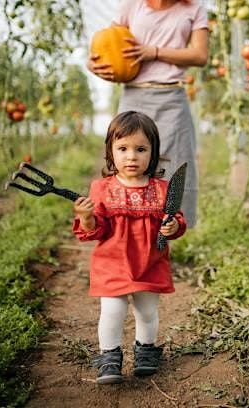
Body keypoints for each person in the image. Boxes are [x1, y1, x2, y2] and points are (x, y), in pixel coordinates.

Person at [72, 111, 187, 385]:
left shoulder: (161, 189)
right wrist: (86, 216)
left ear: (153, 153)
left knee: (147, 312)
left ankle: (145, 351)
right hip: (112, 263)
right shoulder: (102, 188)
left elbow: (175, 218)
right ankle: (109, 357)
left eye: (141, 149)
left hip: (150, 262)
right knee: (113, 311)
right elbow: (95, 230)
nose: (131, 156)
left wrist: (173, 227)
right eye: (122, 149)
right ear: (110, 153)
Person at [87, 0, 209, 229]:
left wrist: (154, 52)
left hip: (171, 96)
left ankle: (169, 230)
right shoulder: (132, 6)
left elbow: (200, 55)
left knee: (175, 164)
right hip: (134, 95)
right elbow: (109, 40)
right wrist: (93, 63)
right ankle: (124, 226)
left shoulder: (194, 9)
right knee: (127, 163)